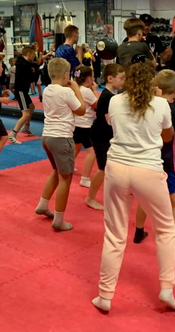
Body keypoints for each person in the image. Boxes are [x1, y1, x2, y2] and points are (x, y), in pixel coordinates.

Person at [92, 61, 175, 314]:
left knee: (114, 234)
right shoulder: (161, 104)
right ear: (152, 83)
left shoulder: (115, 101)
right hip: (147, 171)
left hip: (117, 169)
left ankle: (105, 296)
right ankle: (167, 288)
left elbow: (116, 126)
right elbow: (168, 136)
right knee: (166, 229)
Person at [133, 69, 175, 260]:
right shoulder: (174, 109)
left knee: (145, 196)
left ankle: (138, 232)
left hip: (145, 158)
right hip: (165, 162)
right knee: (174, 202)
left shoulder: (147, 106)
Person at [35, 58, 86, 231]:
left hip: (47, 137)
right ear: (66, 75)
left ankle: (43, 205)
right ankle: (59, 220)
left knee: (57, 172)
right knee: (66, 178)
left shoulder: (47, 89)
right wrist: (76, 89)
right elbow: (82, 110)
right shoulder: (66, 92)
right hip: (61, 138)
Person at [87, 63, 125, 210]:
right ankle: (90, 198)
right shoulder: (108, 97)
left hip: (105, 135)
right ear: (110, 78)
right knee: (103, 169)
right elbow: (110, 121)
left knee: (111, 168)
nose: (123, 81)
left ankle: (116, 193)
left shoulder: (110, 95)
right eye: (121, 78)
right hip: (100, 136)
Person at [74, 66, 99, 190]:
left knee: (77, 146)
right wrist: (95, 90)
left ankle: (67, 166)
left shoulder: (76, 89)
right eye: (92, 77)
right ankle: (85, 178)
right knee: (92, 152)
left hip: (75, 123)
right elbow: (97, 105)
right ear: (89, 78)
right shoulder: (86, 91)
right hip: (84, 125)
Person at [9, 46, 37, 145]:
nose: (34, 56)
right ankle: (13, 134)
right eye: (33, 54)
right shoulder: (23, 65)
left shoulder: (24, 63)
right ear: (29, 54)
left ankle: (26, 127)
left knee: (31, 107)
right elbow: (31, 77)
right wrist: (33, 71)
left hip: (23, 90)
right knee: (26, 114)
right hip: (21, 91)